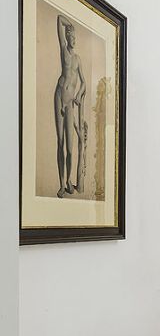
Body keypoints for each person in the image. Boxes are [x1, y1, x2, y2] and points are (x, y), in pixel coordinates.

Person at [54, 14, 86, 198]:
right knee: (60, 141)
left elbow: (84, 83)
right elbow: (59, 19)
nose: (73, 40)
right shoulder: (63, 51)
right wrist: (70, 23)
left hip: (70, 102)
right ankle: (61, 184)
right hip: (59, 96)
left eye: (75, 37)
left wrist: (79, 95)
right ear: (67, 37)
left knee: (70, 148)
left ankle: (68, 180)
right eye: (71, 36)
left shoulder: (78, 59)